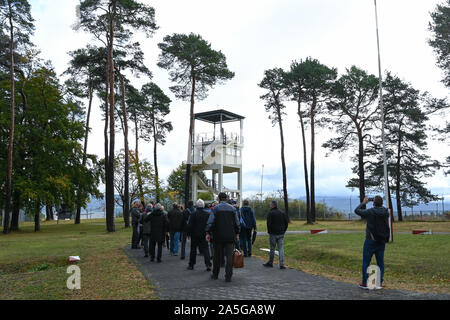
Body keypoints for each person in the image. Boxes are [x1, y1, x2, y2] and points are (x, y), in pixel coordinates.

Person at [354, 196, 390, 290]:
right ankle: (379, 283)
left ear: (373, 203)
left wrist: (363, 203)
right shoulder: (386, 212)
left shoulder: (370, 212)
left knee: (366, 262)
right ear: (381, 203)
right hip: (381, 241)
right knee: (380, 263)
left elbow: (357, 211)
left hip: (371, 240)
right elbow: (385, 212)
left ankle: (365, 283)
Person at [206, 192, 240, 282]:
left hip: (218, 236)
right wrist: (237, 233)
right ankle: (228, 276)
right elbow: (237, 223)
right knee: (229, 257)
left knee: (217, 256)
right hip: (230, 236)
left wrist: (208, 232)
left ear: (219, 199)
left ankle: (215, 274)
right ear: (226, 198)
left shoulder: (215, 209)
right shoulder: (233, 209)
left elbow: (210, 222)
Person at [187, 199, 212, 271]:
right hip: (204, 234)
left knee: (193, 250)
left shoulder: (193, 214)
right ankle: (208, 264)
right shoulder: (207, 214)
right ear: (203, 206)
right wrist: (209, 233)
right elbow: (209, 225)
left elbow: (190, 225)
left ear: (196, 206)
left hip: (194, 234)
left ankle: (191, 265)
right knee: (206, 249)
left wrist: (188, 234)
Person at [263, 200, 288, 269]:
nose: (269, 206)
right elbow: (286, 223)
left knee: (272, 248)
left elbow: (268, 223)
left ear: (272, 205)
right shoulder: (282, 213)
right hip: (281, 233)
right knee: (281, 249)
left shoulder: (270, 213)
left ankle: (270, 262)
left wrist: (269, 231)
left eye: (270, 204)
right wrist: (283, 231)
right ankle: (282, 264)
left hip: (273, 233)